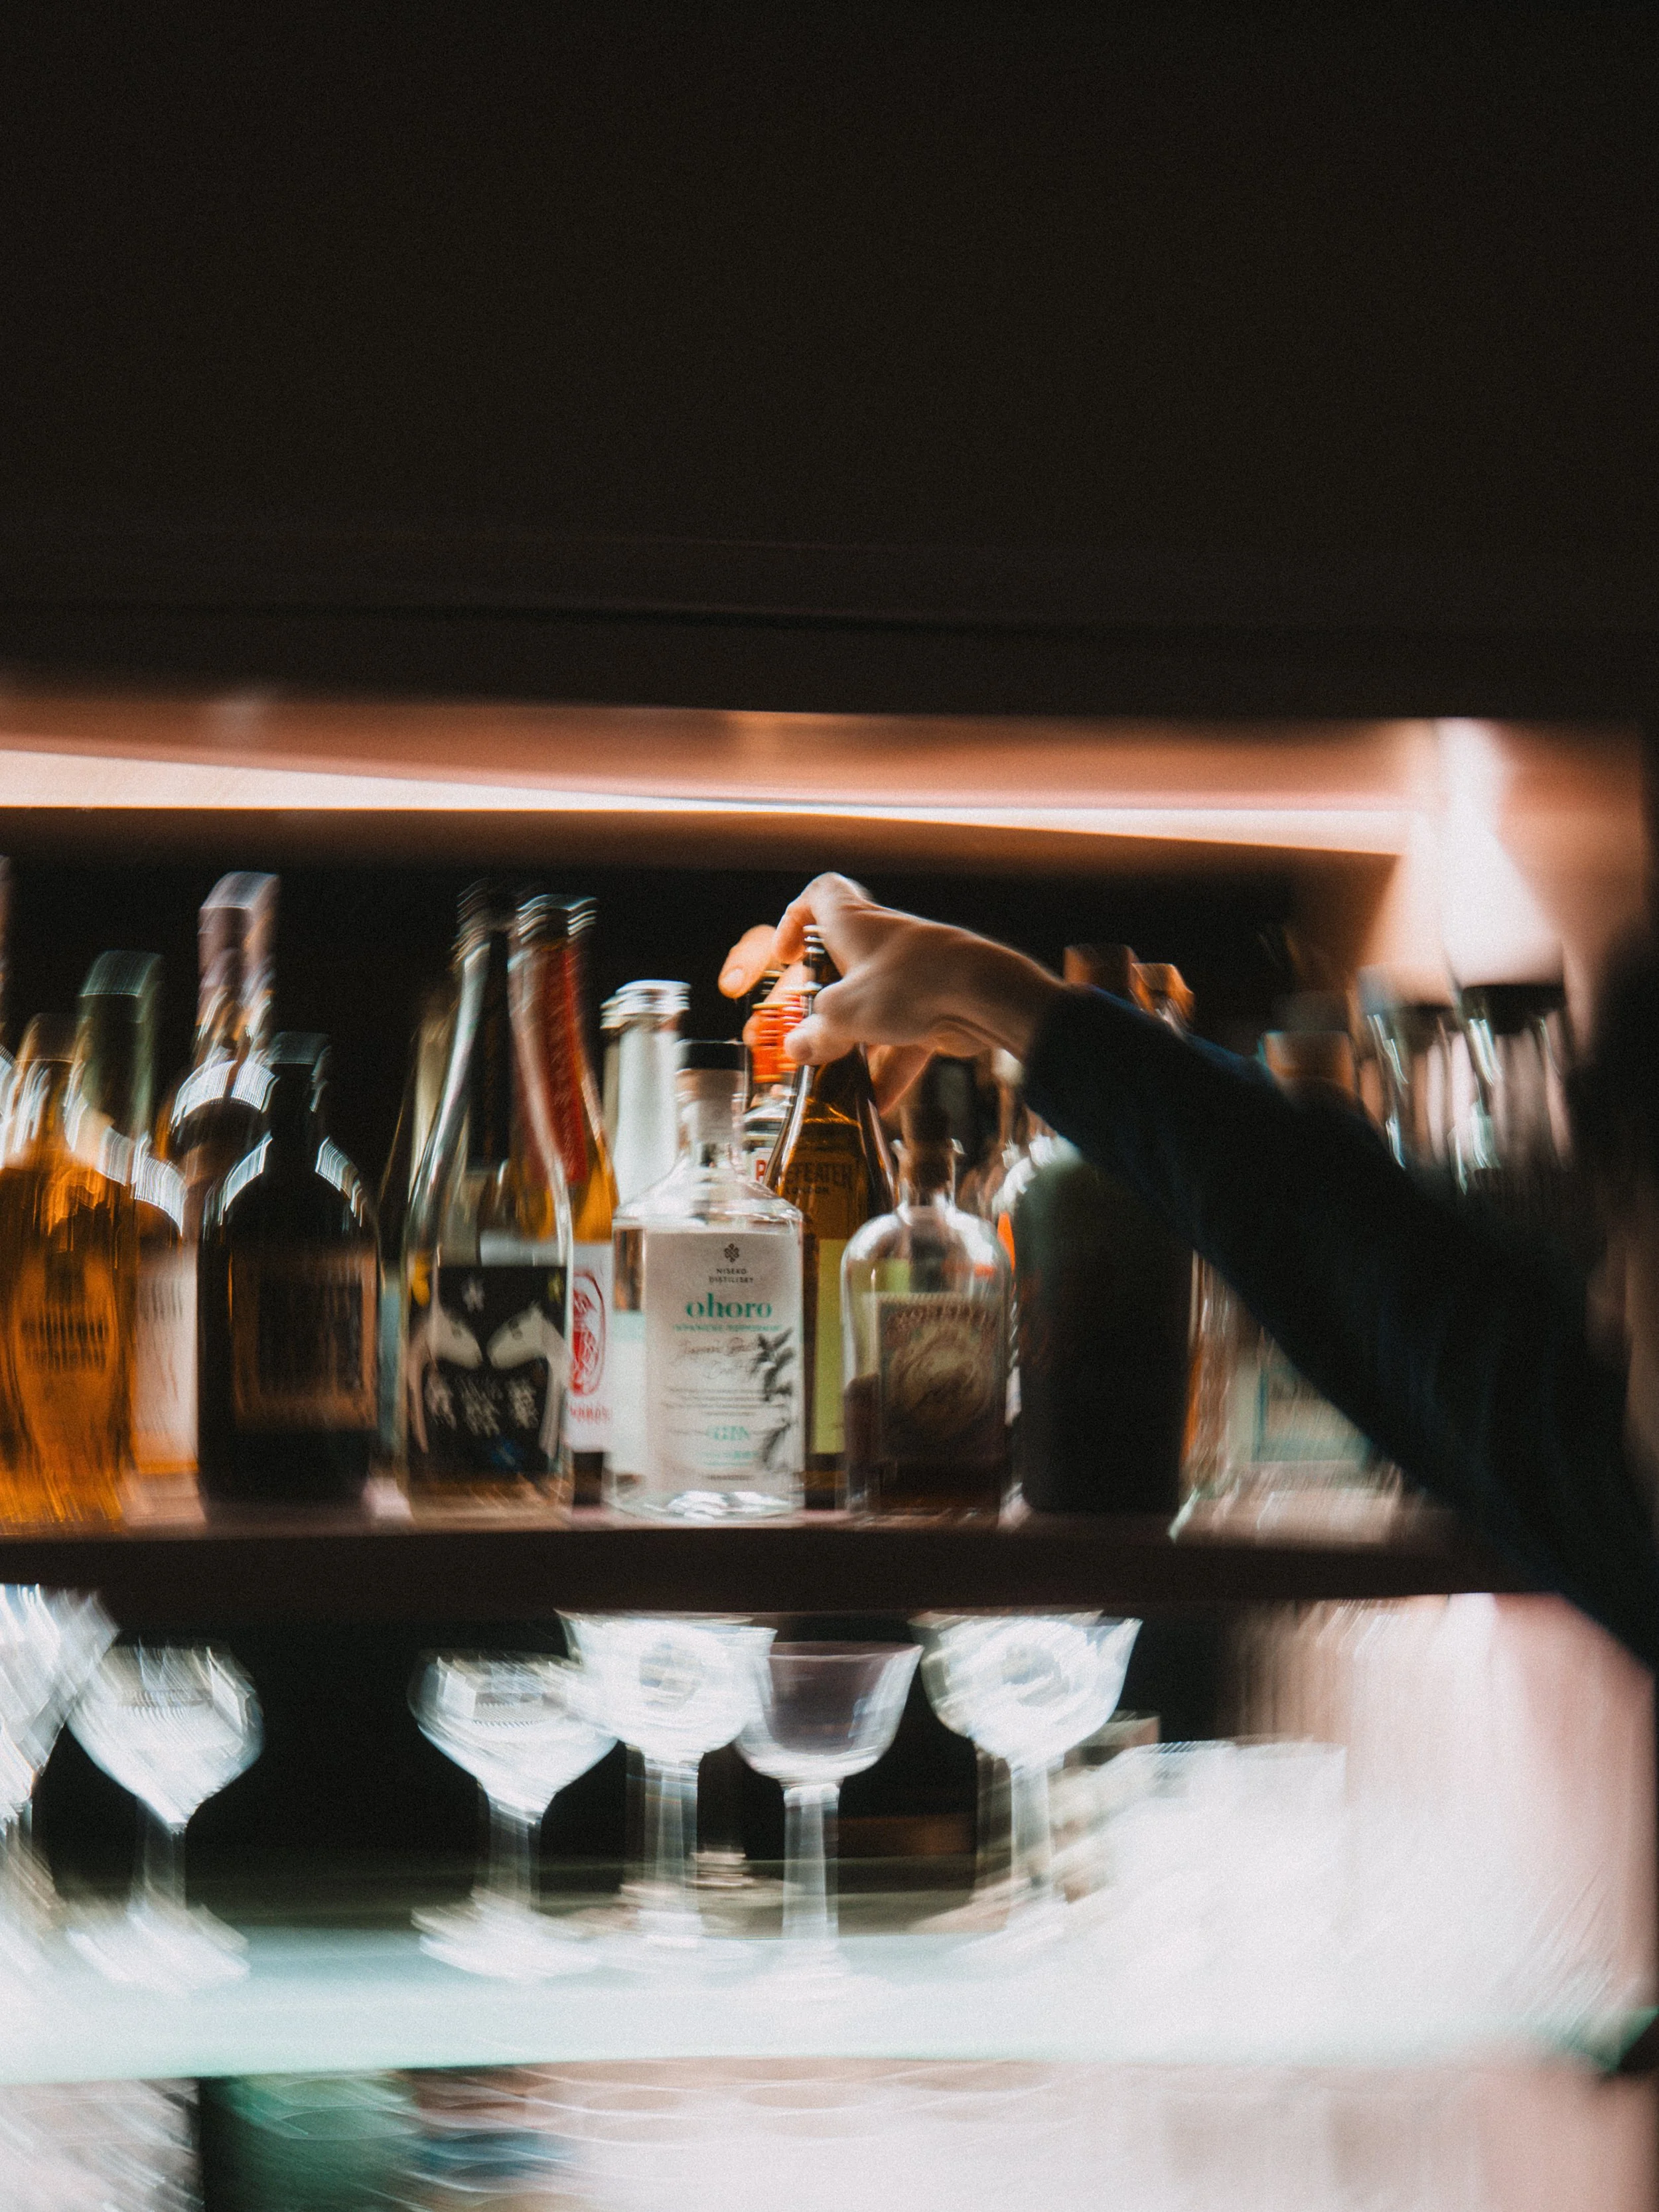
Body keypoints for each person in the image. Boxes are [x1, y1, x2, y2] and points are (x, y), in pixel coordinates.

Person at [720, 873, 1659, 1674]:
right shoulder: (1618, 1496)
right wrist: (1000, 998)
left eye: (1625, 1237)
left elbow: (1368, 1274)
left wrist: (1009, 1005)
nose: (1606, 1303)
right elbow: (1362, 1266)